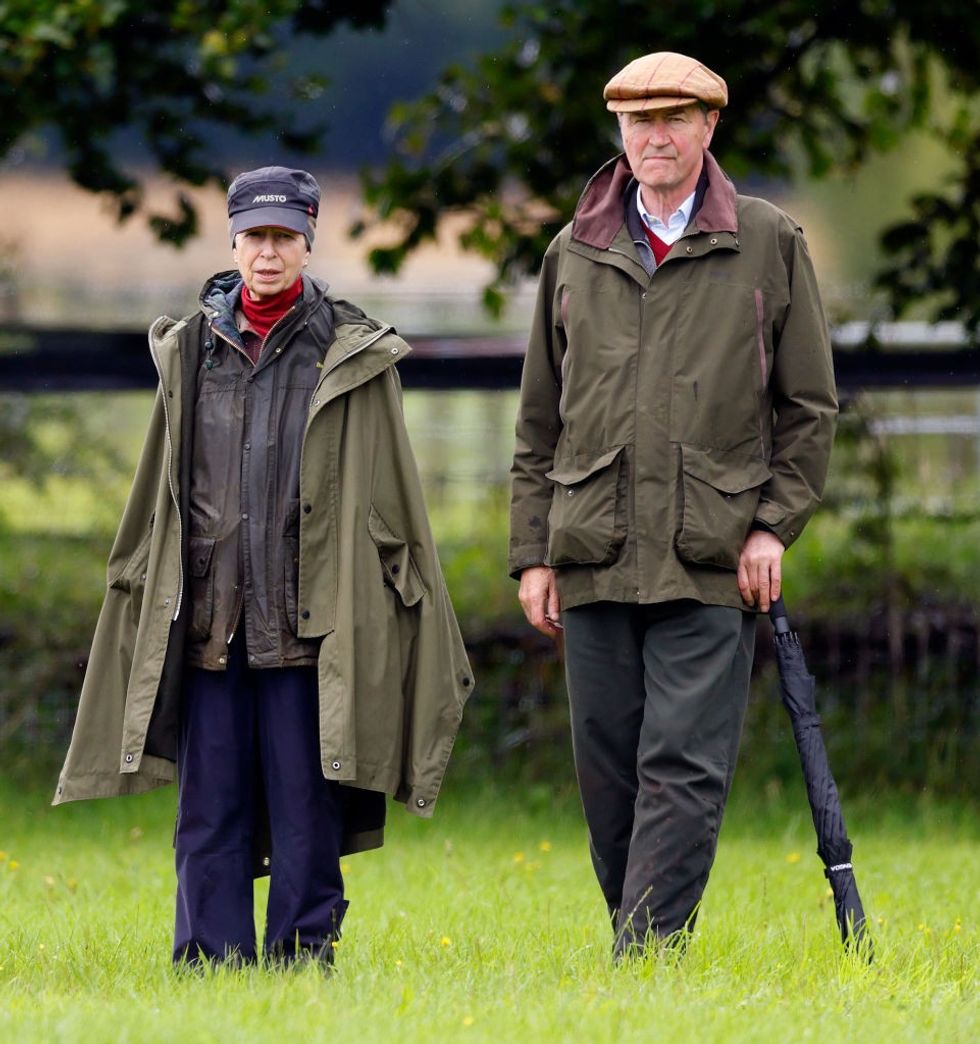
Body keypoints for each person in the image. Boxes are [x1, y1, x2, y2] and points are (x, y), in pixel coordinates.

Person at [54, 166, 473, 968]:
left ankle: (304, 952)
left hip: (310, 623)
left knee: (306, 800)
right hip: (209, 617)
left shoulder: (351, 353)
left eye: (285, 237)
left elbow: (390, 502)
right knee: (207, 806)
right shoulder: (188, 352)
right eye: (256, 237)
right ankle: (209, 958)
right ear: (234, 242)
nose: (269, 253)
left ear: (308, 242)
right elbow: (160, 493)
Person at [509, 53, 837, 957]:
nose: (656, 137)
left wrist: (773, 524)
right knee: (608, 771)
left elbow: (808, 408)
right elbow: (540, 417)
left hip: (713, 550)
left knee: (683, 766)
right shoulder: (571, 251)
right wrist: (533, 551)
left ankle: (647, 953)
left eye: (676, 120)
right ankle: (643, 938)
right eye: (639, 121)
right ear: (619, 131)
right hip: (593, 549)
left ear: (709, 128)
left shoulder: (768, 241)